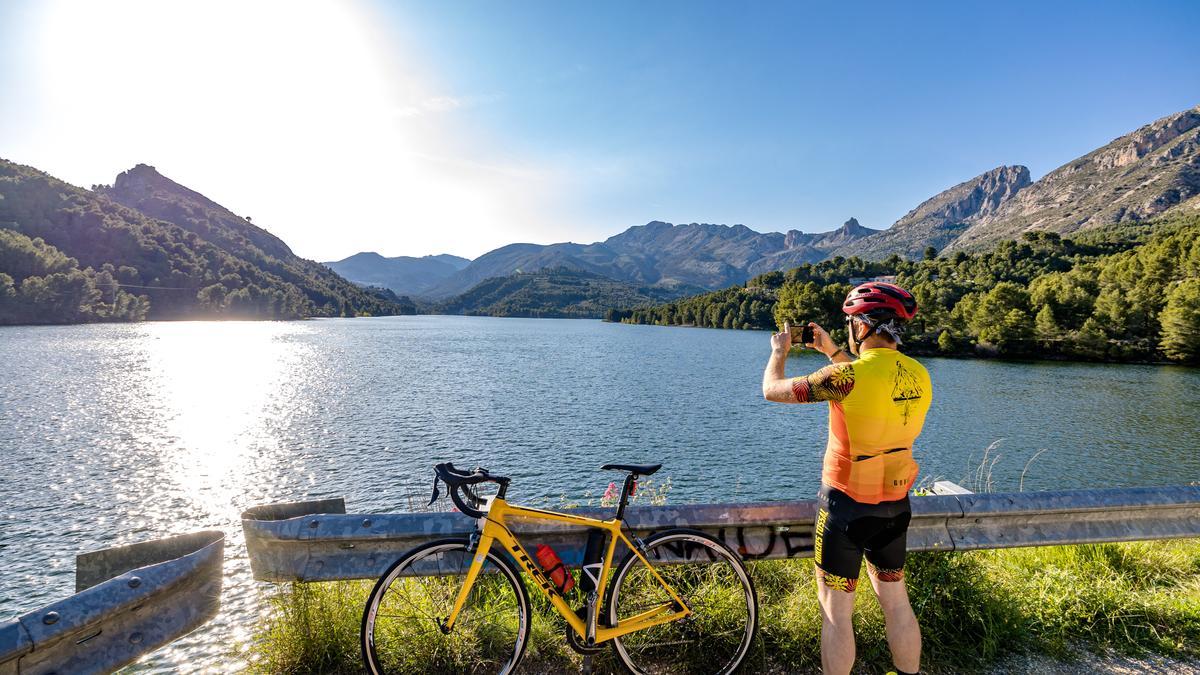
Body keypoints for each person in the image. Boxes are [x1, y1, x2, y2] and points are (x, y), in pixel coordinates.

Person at [761, 282, 932, 675]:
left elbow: (772, 390)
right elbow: (870, 381)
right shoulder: (920, 375)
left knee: (837, 612)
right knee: (896, 601)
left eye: (852, 322)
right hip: (894, 505)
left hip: (846, 507)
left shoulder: (844, 379)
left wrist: (779, 353)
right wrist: (829, 349)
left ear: (864, 326)